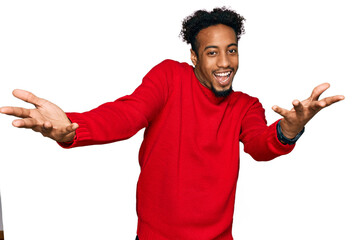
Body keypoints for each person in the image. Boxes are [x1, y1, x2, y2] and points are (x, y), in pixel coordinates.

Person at [0, 7, 344, 240]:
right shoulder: (169, 77)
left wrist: (291, 128)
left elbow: (259, 144)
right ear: (194, 56)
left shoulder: (245, 106)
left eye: (232, 50)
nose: (225, 62)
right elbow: (127, 115)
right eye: (212, 52)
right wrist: (73, 127)